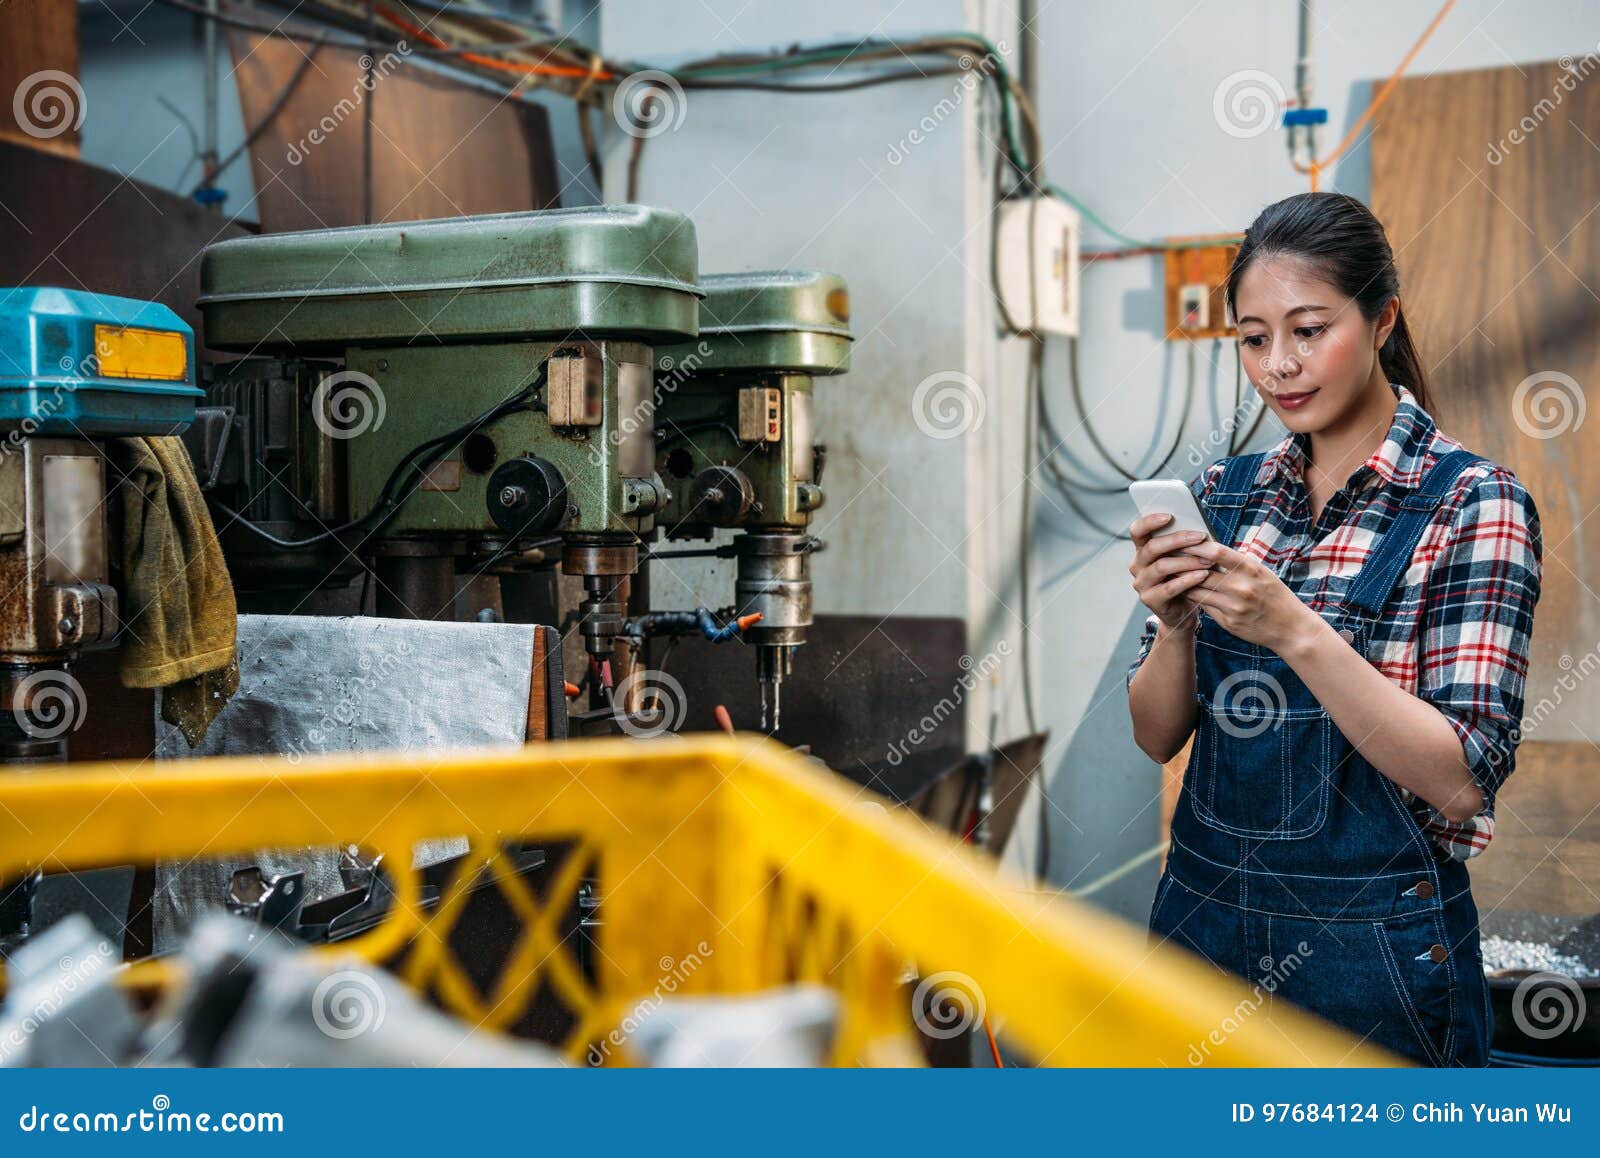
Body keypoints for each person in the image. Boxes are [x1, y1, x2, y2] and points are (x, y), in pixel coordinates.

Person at [1125, 191, 1543, 1066]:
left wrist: (1296, 631)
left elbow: (1462, 780)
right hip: (1200, 930)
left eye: (1309, 330)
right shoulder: (1227, 496)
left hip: (1372, 958)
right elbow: (1156, 736)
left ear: (1382, 319)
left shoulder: (1474, 504)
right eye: (1253, 337)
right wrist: (1173, 628)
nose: (1279, 364)